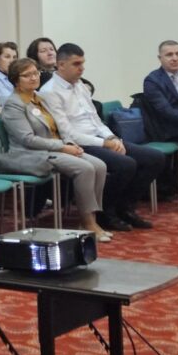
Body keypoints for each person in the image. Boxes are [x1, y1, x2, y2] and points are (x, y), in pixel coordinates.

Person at [40, 43, 165, 232]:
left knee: (154, 158)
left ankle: (125, 207)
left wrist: (112, 137)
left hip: (99, 138)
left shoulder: (80, 85)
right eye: (76, 64)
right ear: (61, 65)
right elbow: (68, 133)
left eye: (83, 63)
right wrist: (104, 143)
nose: (82, 68)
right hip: (80, 144)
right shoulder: (50, 92)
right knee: (126, 165)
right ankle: (106, 212)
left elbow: (95, 120)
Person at [0, 58, 112, 242]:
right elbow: (27, 139)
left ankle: (93, 218)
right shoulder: (14, 105)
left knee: (100, 165)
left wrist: (70, 143)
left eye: (35, 73)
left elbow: (59, 126)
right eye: (27, 75)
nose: (33, 78)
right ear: (16, 80)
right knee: (85, 168)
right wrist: (62, 147)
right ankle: (87, 222)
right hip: (31, 154)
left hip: (55, 147)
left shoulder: (39, 99)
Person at [142, 39, 178, 193]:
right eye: (169, 55)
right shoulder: (152, 81)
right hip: (170, 127)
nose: (174, 58)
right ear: (160, 58)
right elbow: (165, 110)